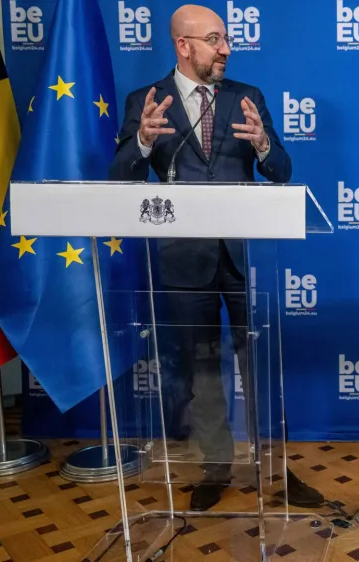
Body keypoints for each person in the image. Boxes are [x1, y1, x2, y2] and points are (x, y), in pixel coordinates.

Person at [109, 4, 324, 512]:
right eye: (214, 39)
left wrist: (266, 144)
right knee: (204, 367)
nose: (226, 48)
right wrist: (141, 140)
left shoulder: (246, 98)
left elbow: (283, 171)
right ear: (183, 46)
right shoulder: (148, 102)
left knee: (259, 365)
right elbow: (121, 178)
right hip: (185, 260)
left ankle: (275, 467)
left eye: (225, 39)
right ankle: (217, 466)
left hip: (245, 258)